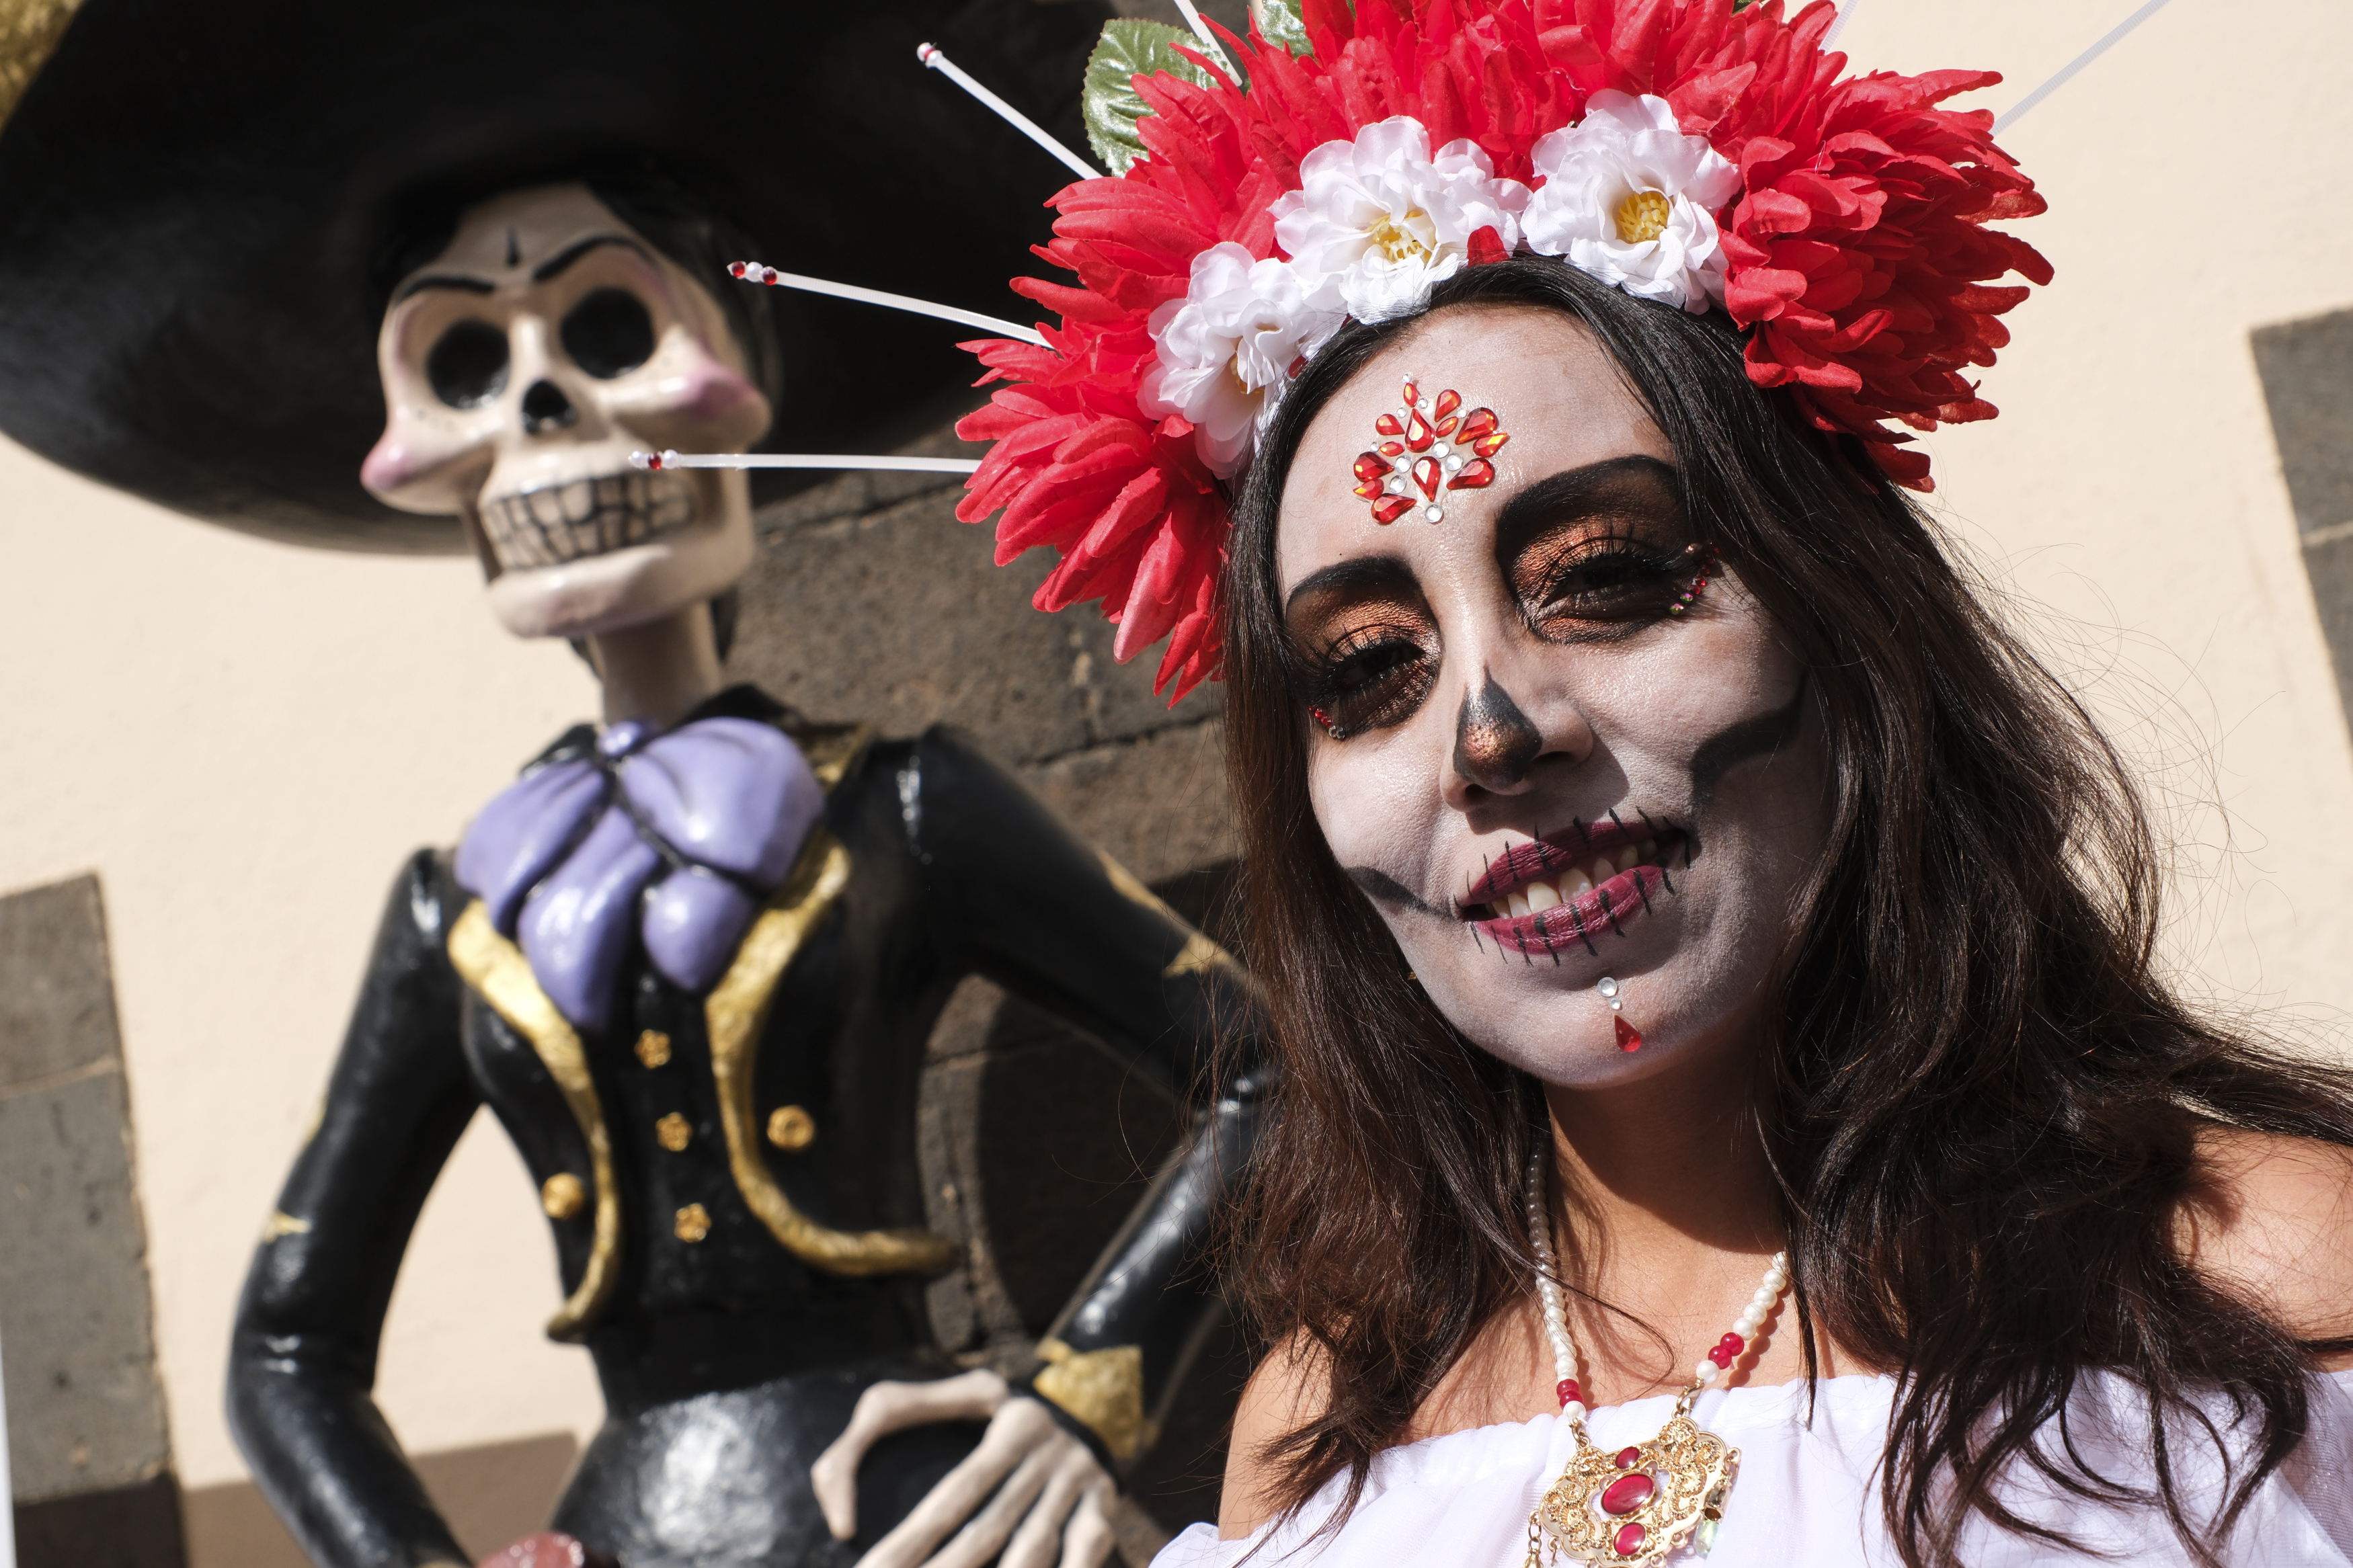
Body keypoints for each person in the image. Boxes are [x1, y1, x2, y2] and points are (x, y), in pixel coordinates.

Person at [902, 0, 2353, 1561]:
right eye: (1365, 669)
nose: (1489, 731)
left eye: (1600, 576)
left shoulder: (2264, 1287)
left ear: (1843, 622)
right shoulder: (1323, 1438)